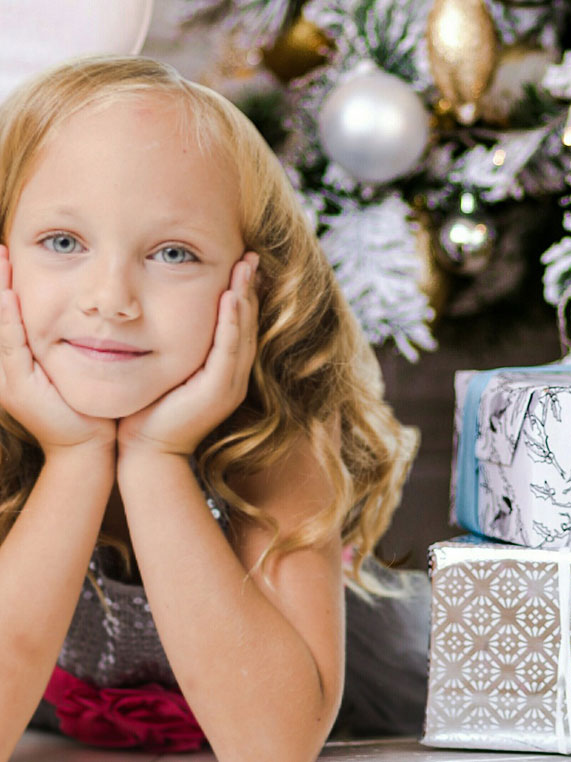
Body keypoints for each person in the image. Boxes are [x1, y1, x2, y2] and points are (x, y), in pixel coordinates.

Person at [0, 55, 428, 759]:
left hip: (371, 692)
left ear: (254, 281)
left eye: (172, 253)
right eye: (64, 242)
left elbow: (272, 744)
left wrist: (156, 459)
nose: (111, 300)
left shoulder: (276, 431)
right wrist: (75, 459)